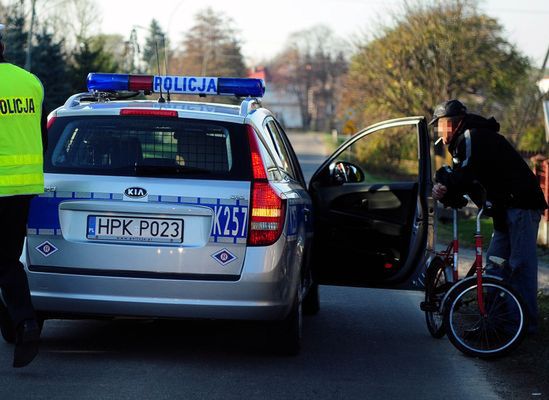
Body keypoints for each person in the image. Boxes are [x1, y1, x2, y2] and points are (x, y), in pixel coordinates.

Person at [430, 99, 548, 334]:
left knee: (520, 267)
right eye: (438, 127)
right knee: (494, 265)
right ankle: (492, 322)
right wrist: (444, 185)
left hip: (521, 205)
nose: (439, 131)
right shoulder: (461, 143)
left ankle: (522, 328)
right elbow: (466, 180)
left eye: (441, 125)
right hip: (504, 208)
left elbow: (464, 174)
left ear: (454, 123)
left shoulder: (472, 136)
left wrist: (445, 182)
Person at [0, 23, 47, 367]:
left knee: (3, 261)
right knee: (5, 258)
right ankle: (15, 323)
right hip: (24, 187)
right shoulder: (30, 82)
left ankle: (23, 321)